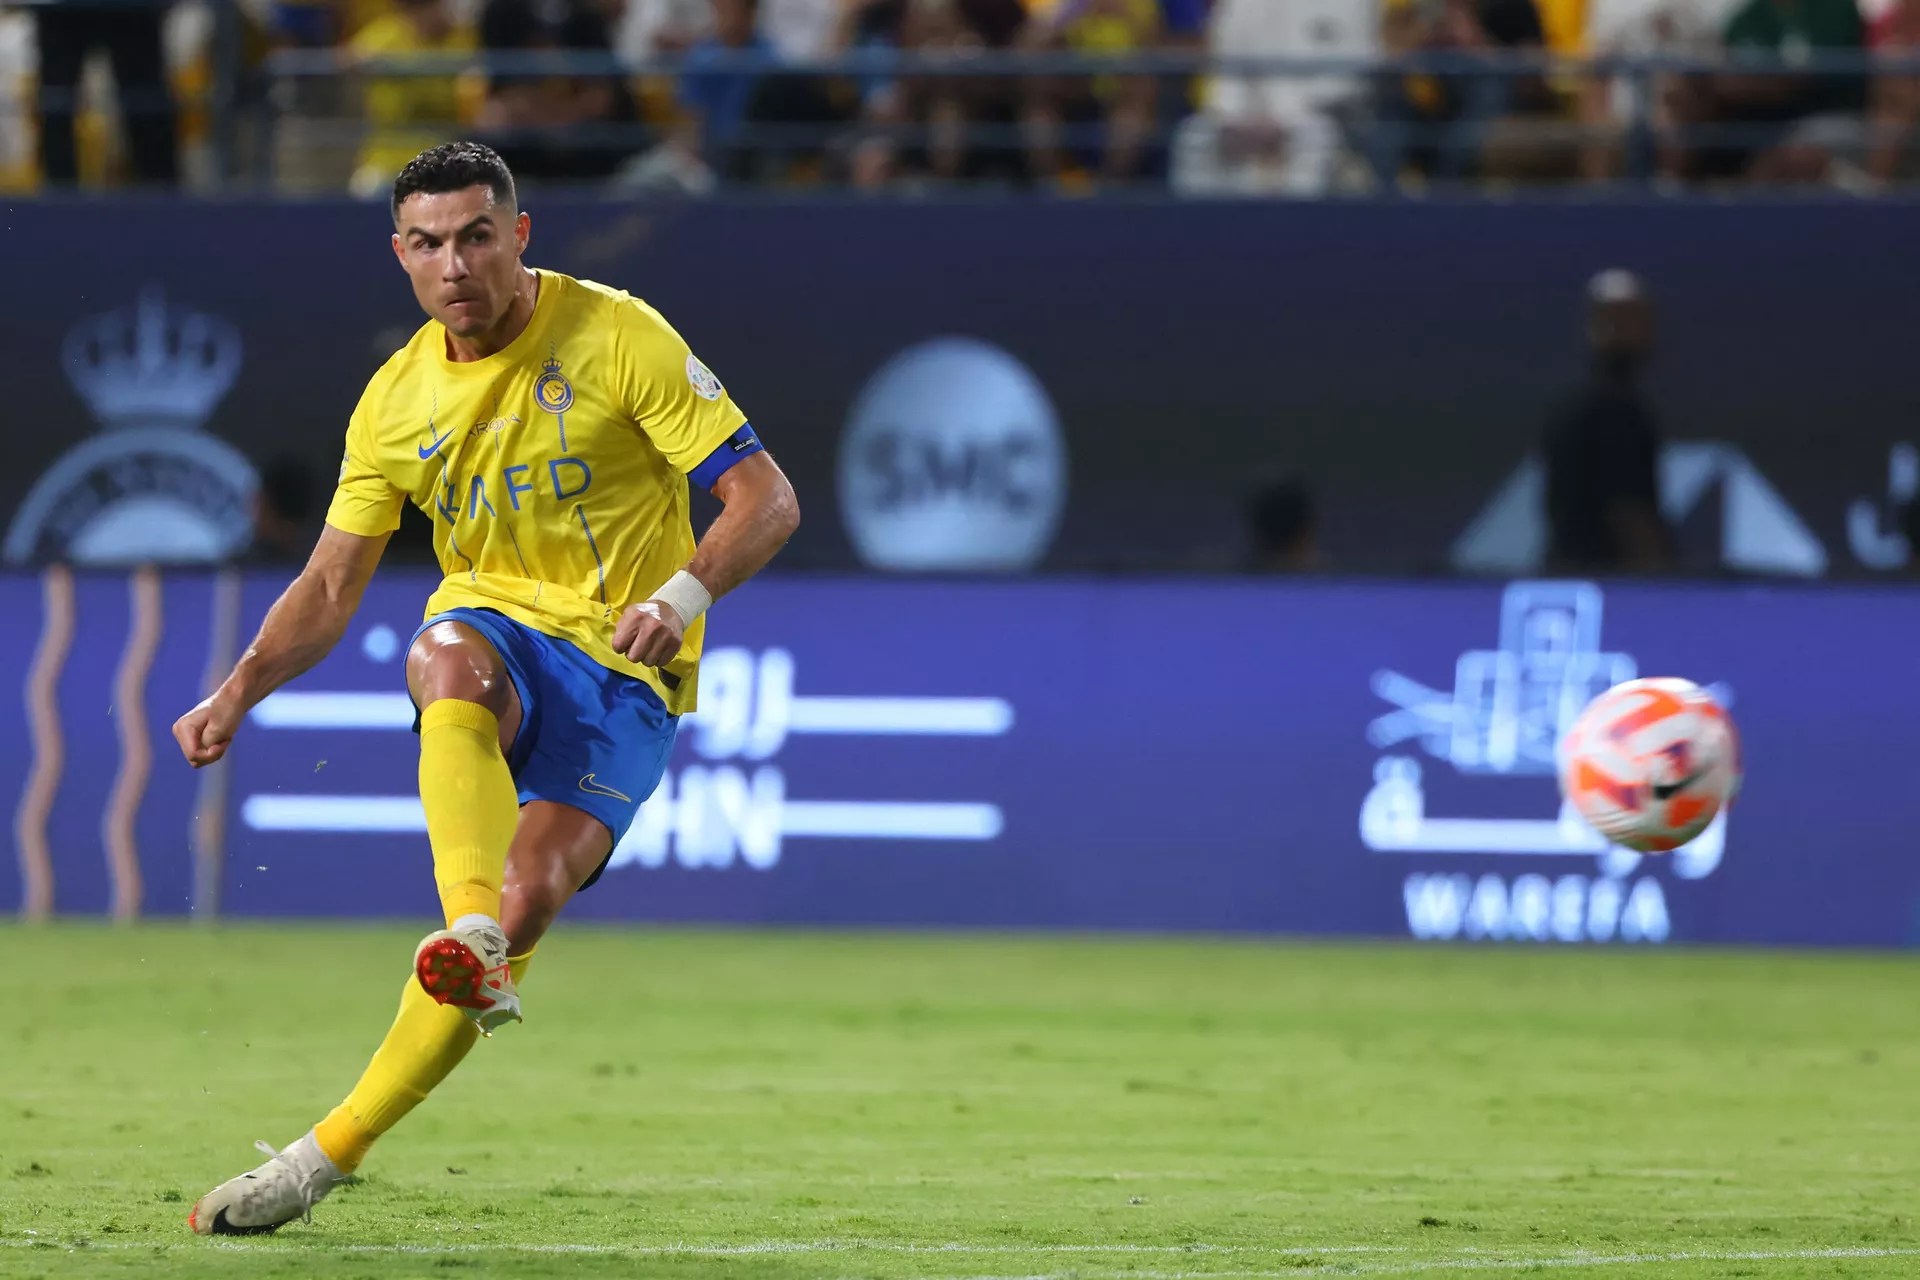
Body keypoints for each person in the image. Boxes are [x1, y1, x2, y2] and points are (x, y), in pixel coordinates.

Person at [176, 141, 800, 1234]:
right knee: (445, 656)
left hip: (627, 665)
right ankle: (467, 930)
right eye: (428, 243)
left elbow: (765, 498)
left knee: (534, 898)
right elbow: (330, 584)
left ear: (517, 236)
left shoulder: (619, 334)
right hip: (498, 625)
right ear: (400, 255)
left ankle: (327, 1152)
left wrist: (685, 595)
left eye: (475, 235)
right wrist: (239, 688)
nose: (454, 264)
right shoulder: (395, 401)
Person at [1541, 268, 1674, 574]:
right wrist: (1659, 579)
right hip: (1608, 583)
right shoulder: (1597, 411)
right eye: (1616, 320)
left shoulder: (1627, 408)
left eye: (1636, 320)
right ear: (1593, 325)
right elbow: (1627, 513)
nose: (1628, 331)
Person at [31, 0, 180, 186]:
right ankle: (57, 193)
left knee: (147, 103)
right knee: (56, 103)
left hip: (132, 10)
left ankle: (162, 193)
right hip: (63, 10)